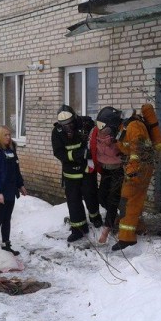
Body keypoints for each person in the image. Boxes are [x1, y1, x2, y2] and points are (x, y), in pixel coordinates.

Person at [52, 104, 102, 243]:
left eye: (69, 123)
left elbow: (96, 136)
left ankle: (95, 218)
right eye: (64, 124)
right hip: (70, 173)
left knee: (91, 195)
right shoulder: (57, 131)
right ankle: (79, 229)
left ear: (74, 118)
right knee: (73, 201)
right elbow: (59, 152)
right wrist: (78, 154)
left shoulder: (85, 124)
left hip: (86, 170)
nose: (67, 127)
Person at [112, 109, 155, 251]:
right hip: (139, 168)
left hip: (138, 169)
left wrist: (133, 169)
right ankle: (138, 228)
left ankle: (126, 238)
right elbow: (128, 147)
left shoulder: (134, 126)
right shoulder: (128, 126)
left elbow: (138, 149)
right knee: (135, 200)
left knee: (127, 201)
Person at [0, 125, 27, 255]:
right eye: (6, 135)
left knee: (7, 218)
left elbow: (16, 170)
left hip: (11, 190)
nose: (9, 138)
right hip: (0, 191)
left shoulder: (11, 149)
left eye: (10, 135)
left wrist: (20, 185)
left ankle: (6, 244)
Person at [90, 106, 125, 244]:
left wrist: (115, 143)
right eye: (98, 124)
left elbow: (127, 150)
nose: (100, 128)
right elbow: (92, 146)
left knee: (113, 199)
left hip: (118, 170)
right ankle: (113, 217)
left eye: (103, 125)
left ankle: (107, 229)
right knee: (101, 196)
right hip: (105, 169)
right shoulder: (96, 133)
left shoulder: (120, 134)